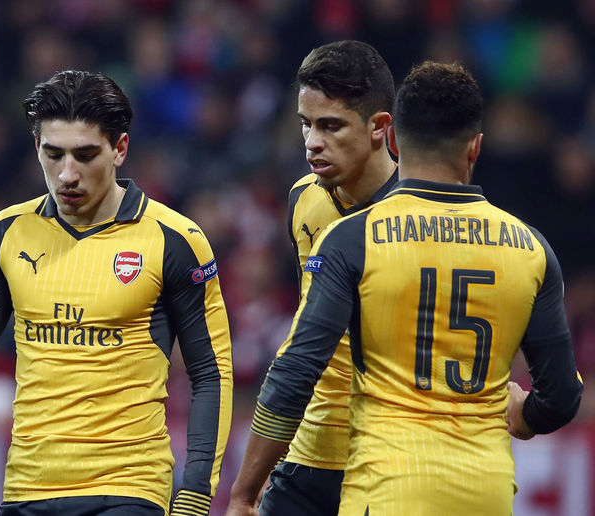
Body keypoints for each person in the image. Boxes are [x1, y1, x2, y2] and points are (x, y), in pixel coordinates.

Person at [228, 61, 583, 515]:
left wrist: (245, 489)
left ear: (392, 140)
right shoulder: (531, 247)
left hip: (387, 484)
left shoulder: (355, 238)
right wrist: (525, 415)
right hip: (486, 492)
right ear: (475, 147)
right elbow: (561, 396)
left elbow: (295, 372)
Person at [0, 70, 233, 516]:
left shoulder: (175, 240)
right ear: (37, 148)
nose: (67, 174)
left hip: (128, 488)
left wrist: (195, 495)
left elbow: (210, 372)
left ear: (120, 148)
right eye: (54, 154)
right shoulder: (8, 233)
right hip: (27, 490)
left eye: (85, 155)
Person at [227, 40, 397, 516]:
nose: (312, 142)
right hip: (308, 455)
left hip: (388, 460)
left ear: (379, 127)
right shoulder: (303, 198)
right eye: (306, 124)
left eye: (331, 126)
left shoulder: (420, 216)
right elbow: (304, 346)